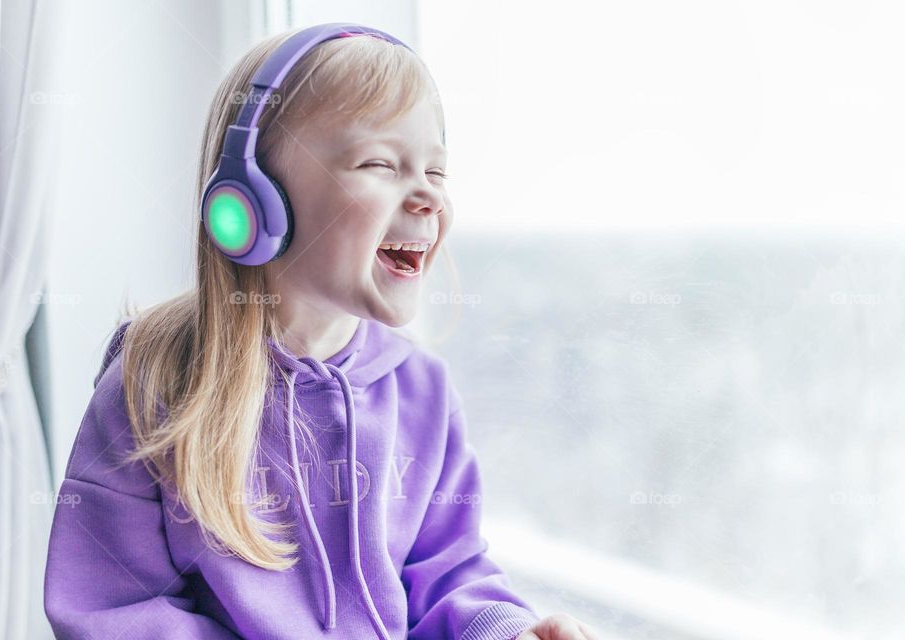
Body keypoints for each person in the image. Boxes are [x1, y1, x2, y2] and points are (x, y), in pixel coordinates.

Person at [43, 23, 599, 640]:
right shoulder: (158, 381)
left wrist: (502, 632)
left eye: (437, 174)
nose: (426, 198)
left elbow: (449, 571)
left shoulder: (422, 392)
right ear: (254, 201)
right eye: (380, 164)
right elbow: (112, 606)